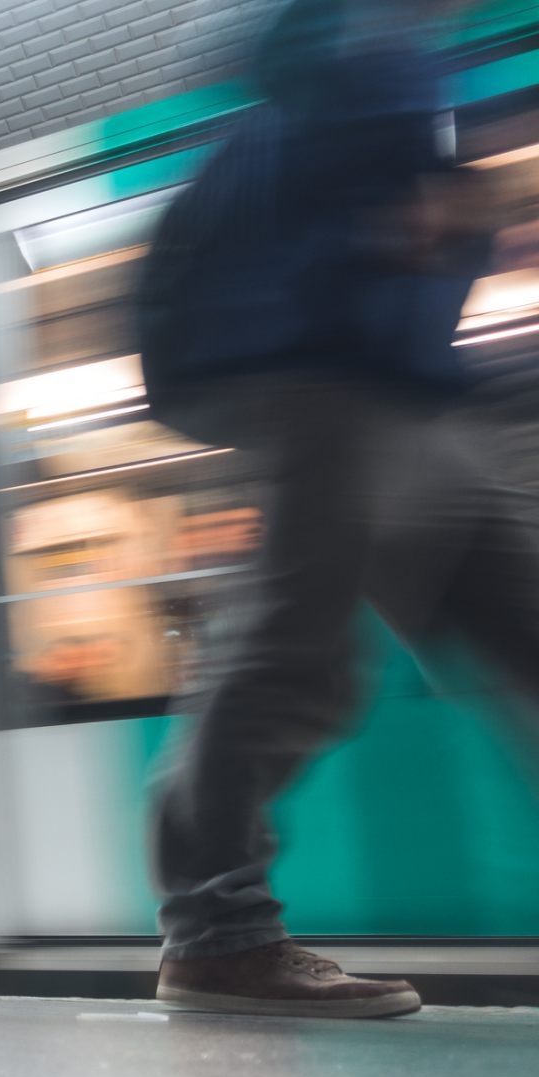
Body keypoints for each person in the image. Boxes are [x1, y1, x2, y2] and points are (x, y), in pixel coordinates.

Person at [138, 0, 531, 1016]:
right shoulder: (349, 38)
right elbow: (301, 68)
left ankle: (216, 925)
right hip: (314, 356)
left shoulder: (397, 51)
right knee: (293, 656)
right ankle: (218, 933)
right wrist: (421, 191)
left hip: (400, 374)